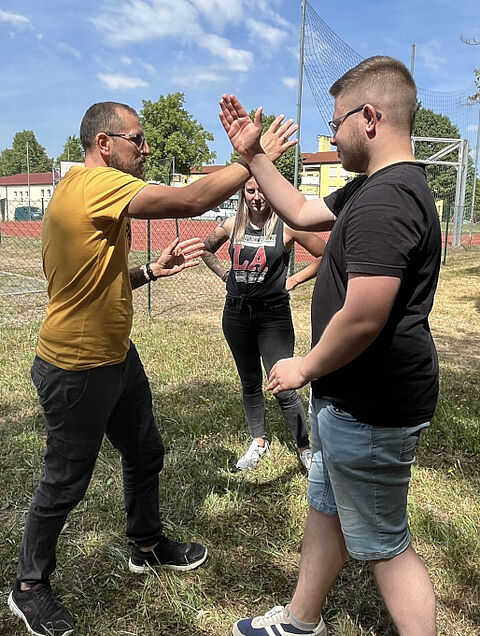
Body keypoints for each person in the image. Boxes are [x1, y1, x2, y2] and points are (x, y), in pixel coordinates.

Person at [8, 100, 296, 636]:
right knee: (64, 480)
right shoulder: (95, 184)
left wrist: (149, 270)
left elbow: (92, 282)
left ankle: (146, 544)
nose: (145, 148)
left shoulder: (86, 194)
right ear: (104, 144)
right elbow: (191, 199)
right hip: (76, 366)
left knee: (145, 452)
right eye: (136, 139)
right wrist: (253, 157)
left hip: (117, 355)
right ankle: (29, 587)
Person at [220, 56, 440, 636]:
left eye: (336, 121)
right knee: (326, 507)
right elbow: (298, 209)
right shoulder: (373, 188)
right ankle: (300, 621)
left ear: (369, 117)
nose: (332, 133)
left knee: (386, 547)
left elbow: (364, 317)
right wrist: (253, 154)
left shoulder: (388, 200)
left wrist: (304, 366)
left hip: (372, 405)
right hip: (350, 401)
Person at [202, 177, 325, 471]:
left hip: (273, 315)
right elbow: (206, 249)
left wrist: (293, 279)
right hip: (236, 313)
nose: (257, 197)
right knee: (249, 382)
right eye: (251, 191)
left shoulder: (287, 225)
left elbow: (324, 253)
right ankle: (259, 441)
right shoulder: (232, 225)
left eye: (262, 190)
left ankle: (304, 448)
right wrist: (225, 275)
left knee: (282, 383)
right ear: (243, 193)